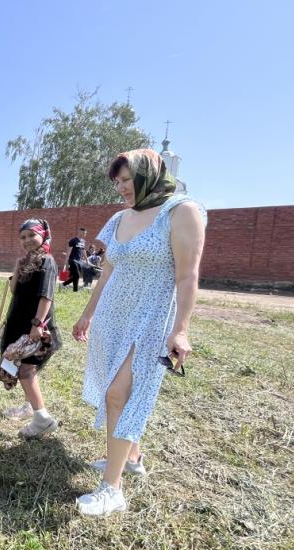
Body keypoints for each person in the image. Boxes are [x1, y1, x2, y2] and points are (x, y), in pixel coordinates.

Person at [72, 148, 206, 516]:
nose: (121, 188)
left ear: (150, 174)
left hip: (149, 319)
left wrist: (181, 329)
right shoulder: (120, 219)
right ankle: (131, 457)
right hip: (113, 316)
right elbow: (108, 270)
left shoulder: (181, 211)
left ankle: (111, 489)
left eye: (127, 179)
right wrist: (87, 313)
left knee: (119, 394)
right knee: (113, 389)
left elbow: (187, 274)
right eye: (117, 182)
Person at [0, 219, 63, 437]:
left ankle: (42, 419)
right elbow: (14, 290)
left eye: (31, 235)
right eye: (23, 237)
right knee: (24, 367)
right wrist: (17, 268)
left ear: (43, 236)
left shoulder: (47, 261)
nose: (27, 240)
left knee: (26, 370)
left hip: (35, 326)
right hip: (19, 323)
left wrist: (37, 324)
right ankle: (29, 406)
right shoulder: (26, 261)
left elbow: (46, 296)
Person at [62, 226, 88, 291]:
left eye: (85, 233)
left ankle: (75, 290)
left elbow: (83, 250)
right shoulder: (73, 240)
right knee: (77, 275)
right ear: (80, 232)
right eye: (84, 233)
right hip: (73, 260)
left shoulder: (83, 241)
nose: (85, 235)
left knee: (75, 276)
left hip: (79, 260)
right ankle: (64, 284)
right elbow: (69, 251)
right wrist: (66, 261)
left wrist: (87, 260)